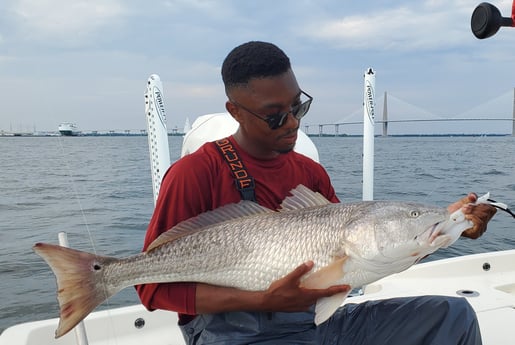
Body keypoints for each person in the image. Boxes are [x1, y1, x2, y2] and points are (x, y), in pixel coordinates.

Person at [136, 41, 497, 345]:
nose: (293, 122)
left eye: (298, 106)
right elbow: (150, 288)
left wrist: (446, 230)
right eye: (275, 116)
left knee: (453, 316)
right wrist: (262, 299)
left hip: (318, 322)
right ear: (235, 111)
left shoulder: (310, 173)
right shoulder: (195, 173)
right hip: (235, 335)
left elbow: (359, 259)